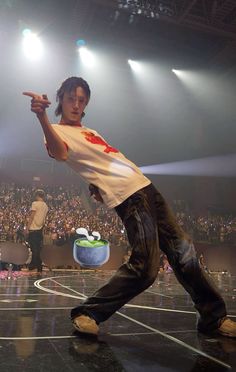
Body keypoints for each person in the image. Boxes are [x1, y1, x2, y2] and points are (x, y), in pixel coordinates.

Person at [23, 77, 236, 337]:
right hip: (130, 197)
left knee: (185, 253)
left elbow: (98, 164)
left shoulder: (91, 131)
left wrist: (96, 185)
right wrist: (42, 117)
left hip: (146, 187)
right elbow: (61, 153)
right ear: (60, 100)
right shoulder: (56, 131)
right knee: (145, 267)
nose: (76, 104)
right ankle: (88, 312)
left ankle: (213, 318)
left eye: (81, 100)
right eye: (71, 99)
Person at [26, 189, 48, 273]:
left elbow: (32, 217)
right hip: (40, 229)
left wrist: (27, 228)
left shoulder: (35, 204)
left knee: (34, 249)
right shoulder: (45, 206)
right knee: (37, 249)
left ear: (37, 195)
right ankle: (38, 267)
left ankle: (34, 265)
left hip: (33, 229)